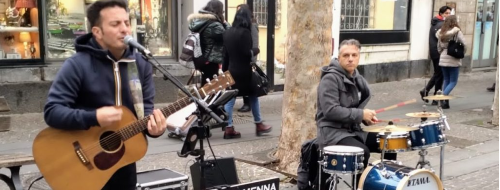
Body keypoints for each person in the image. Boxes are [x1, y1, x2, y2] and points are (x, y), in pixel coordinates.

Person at [43, 1, 167, 189]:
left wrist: (155, 129)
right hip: (83, 163)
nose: (125, 29)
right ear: (97, 32)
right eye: (115, 24)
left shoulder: (140, 64)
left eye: (127, 22)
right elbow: (52, 112)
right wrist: (94, 117)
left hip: (123, 163)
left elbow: (145, 112)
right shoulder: (77, 65)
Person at [316, 39, 396, 189]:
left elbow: (355, 107)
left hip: (352, 131)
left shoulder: (357, 77)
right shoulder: (330, 79)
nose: (350, 59)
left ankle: (388, 183)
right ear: (338, 58)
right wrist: (360, 114)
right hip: (332, 133)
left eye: (354, 55)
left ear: (359, 57)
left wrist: (365, 118)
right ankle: (361, 186)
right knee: (362, 152)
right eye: (346, 55)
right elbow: (330, 111)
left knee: (388, 143)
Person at [222, 7, 272, 139]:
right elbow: (246, 53)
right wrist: (256, 50)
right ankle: (259, 124)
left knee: (229, 100)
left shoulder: (227, 33)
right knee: (254, 96)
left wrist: (225, 71)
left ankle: (228, 127)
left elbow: (225, 55)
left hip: (231, 70)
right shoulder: (245, 33)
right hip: (244, 71)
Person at [187, 0, 229, 86]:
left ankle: (204, 99)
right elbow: (229, 35)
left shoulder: (202, 21)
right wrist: (225, 22)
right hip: (211, 60)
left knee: (207, 84)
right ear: (218, 11)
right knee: (211, 87)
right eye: (222, 11)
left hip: (202, 59)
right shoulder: (215, 25)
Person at [420, 6, 452, 105]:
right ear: (441, 14)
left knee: (438, 73)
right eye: (447, 13)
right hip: (438, 52)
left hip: (434, 51)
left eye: (449, 13)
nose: (448, 15)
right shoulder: (442, 24)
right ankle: (435, 97)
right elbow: (444, 40)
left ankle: (427, 91)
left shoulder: (435, 23)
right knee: (440, 75)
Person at [437, 15, 467, 109]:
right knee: (453, 81)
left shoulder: (441, 32)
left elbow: (439, 47)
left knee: (446, 80)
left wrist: (442, 53)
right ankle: (443, 97)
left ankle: (445, 103)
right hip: (453, 58)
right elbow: (465, 44)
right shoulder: (457, 32)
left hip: (443, 57)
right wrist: (462, 53)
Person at [236, 4, 260, 113]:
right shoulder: (239, 27)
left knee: (247, 83)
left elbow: (255, 44)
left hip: (248, 58)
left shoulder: (252, 26)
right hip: (240, 59)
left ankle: (247, 103)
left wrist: (252, 60)